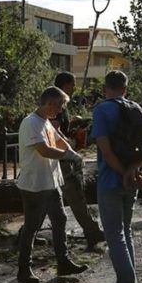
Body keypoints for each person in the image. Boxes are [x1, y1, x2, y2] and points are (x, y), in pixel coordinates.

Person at [16, 86, 89, 283]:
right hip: (34, 185)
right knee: (32, 227)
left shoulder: (46, 122)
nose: (60, 111)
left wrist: (72, 152)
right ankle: (24, 269)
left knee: (60, 219)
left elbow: (60, 141)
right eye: (59, 106)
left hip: (51, 182)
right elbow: (45, 150)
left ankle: (63, 261)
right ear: (49, 103)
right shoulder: (31, 123)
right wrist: (68, 156)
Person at [91, 70, 142, 283]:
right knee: (126, 233)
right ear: (126, 88)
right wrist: (133, 171)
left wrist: (123, 172)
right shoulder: (136, 108)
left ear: (106, 88)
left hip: (110, 182)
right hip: (130, 183)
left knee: (115, 236)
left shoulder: (102, 110)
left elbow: (105, 151)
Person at [53, 71, 104, 251]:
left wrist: (74, 124)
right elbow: (53, 131)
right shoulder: (57, 103)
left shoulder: (60, 103)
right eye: (73, 84)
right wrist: (71, 145)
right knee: (75, 194)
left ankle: (26, 235)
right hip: (61, 158)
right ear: (65, 85)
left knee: (48, 200)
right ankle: (92, 232)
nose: (74, 87)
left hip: (57, 157)